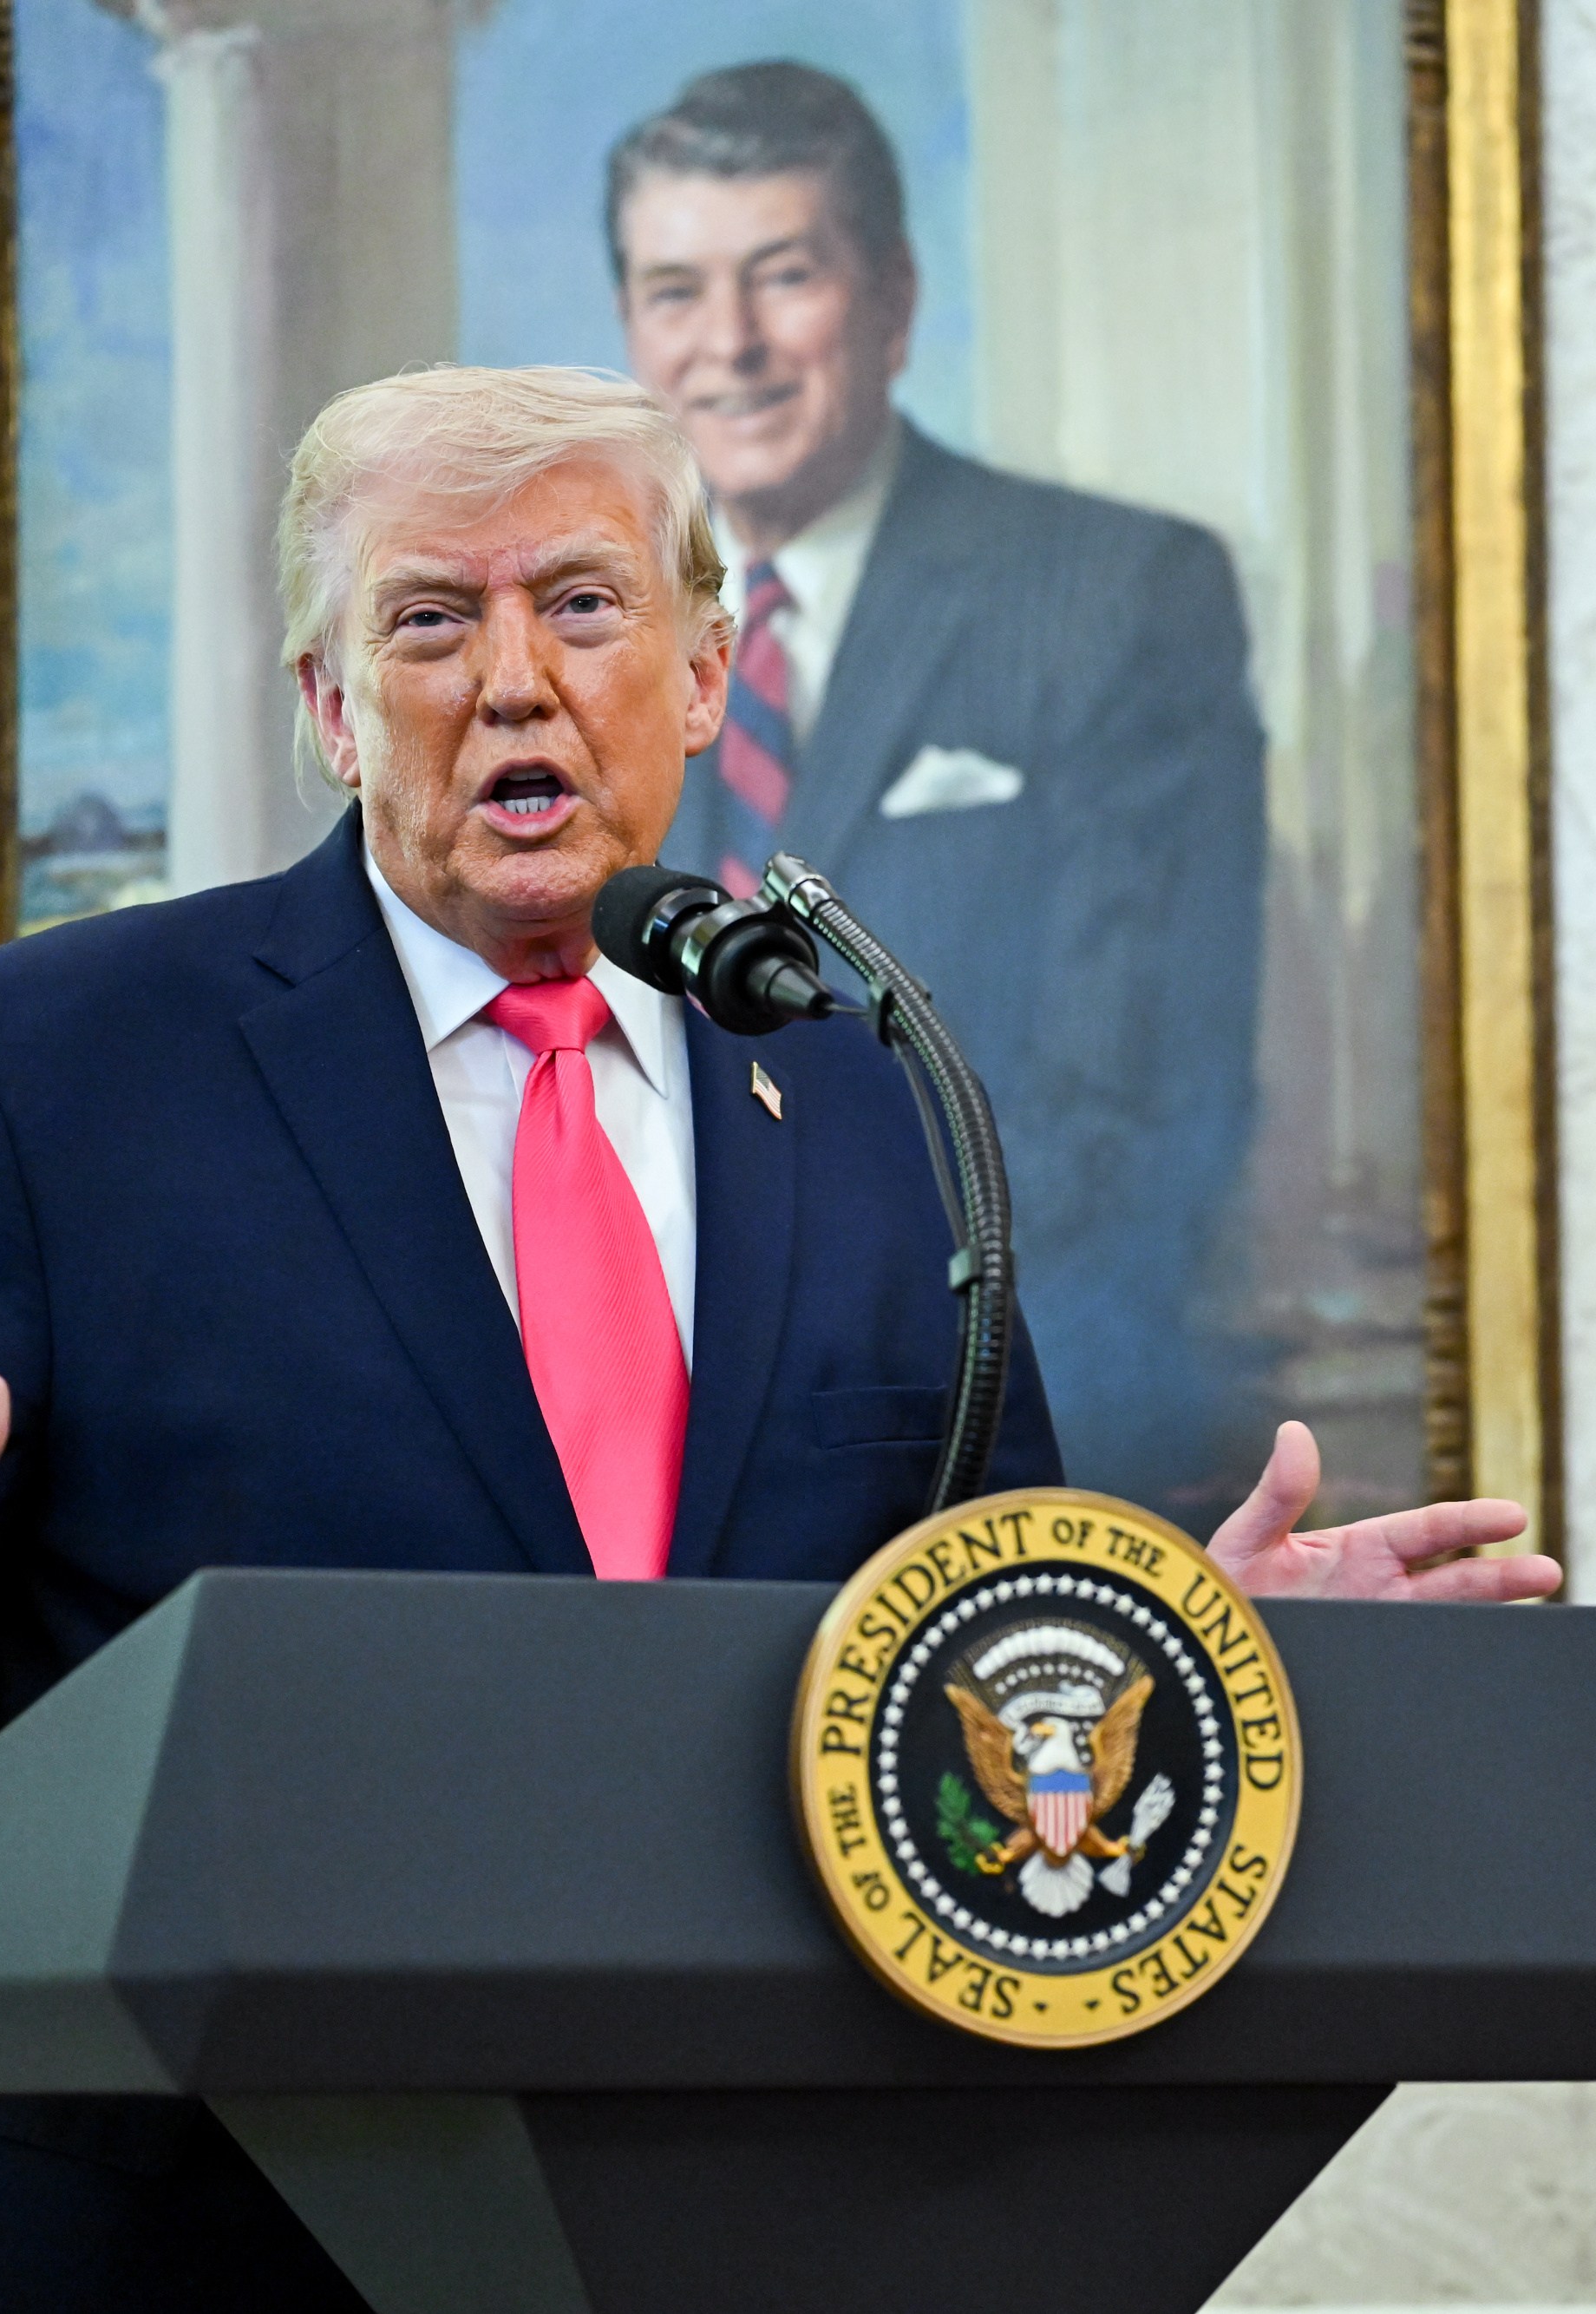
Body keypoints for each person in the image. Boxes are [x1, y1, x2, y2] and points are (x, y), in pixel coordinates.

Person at [0, 368, 1554, 2314]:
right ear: (331, 709)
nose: (512, 681)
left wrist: (1180, 1652)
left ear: (705, 673)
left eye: (579, 603)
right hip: (144, 2237)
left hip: (706, 2217)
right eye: (426, 619)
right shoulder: (48, 1061)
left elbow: (963, 1633)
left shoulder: (869, 1085)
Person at [607, 62, 1268, 1517]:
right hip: (661, 1454)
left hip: (1008, 1424)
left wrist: (843, 1402)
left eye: (784, 275)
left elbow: (1138, 1102)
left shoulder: (1114, 594)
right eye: (675, 293)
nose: (729, 345)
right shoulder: (590, 642)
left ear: (893, 301)